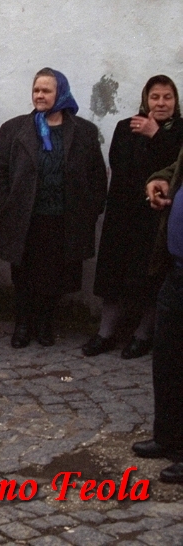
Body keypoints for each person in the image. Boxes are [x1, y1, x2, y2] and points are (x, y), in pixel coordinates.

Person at [0, 69, 106, 348]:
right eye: (36, 90)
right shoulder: (14, 128)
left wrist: (90, 209)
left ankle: (45, 323)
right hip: (24, 216)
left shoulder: (83, 132)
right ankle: (22, 324)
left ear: (61, 93)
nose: (40, 96)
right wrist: (3, 204)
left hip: (63, 218)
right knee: (23, 274)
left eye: (47, 91)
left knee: (55, 275)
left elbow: (97, 175)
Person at [88, 76, 183, 358]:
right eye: (155, 97)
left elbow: (174, 168)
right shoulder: (126, 126)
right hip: (124, 214)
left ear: (175, 100)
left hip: (158, 217)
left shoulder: (179, 130)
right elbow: (119, 164)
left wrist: (156, 135)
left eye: (167, 97)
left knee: (151, 279)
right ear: (145, 99)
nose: (161, 103)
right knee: (114, 278)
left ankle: (142, 336)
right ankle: (105, 333)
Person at [137, 133, 183, 485]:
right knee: (167, 355)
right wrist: (161, 179)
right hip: (177, 267)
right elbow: (176, 166)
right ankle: (169, 437)